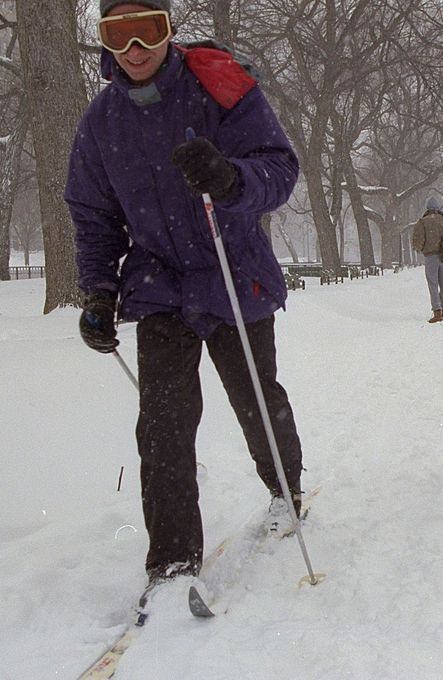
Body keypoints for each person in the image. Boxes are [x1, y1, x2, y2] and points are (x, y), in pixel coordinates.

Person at [65, 0, 305, 584]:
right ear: (105, 43)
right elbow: (94, 217)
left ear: (168, 32)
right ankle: (172, 559)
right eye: (117, 36)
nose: (134, 49)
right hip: (158, 284)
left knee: (254, 399)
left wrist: (231, 179)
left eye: (147, 31)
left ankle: (286, 491)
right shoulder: (101, 124)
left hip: (232, 270)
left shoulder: (220, 89)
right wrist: (98, 292)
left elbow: (279, 168)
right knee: (164, 426)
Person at [411, 197, 443, 323]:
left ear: (427, 207)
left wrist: (422, 248)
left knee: (433, 284)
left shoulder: (422, 222)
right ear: (438, 207)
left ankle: (437, 312)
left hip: (430, 257)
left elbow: (417, 241)